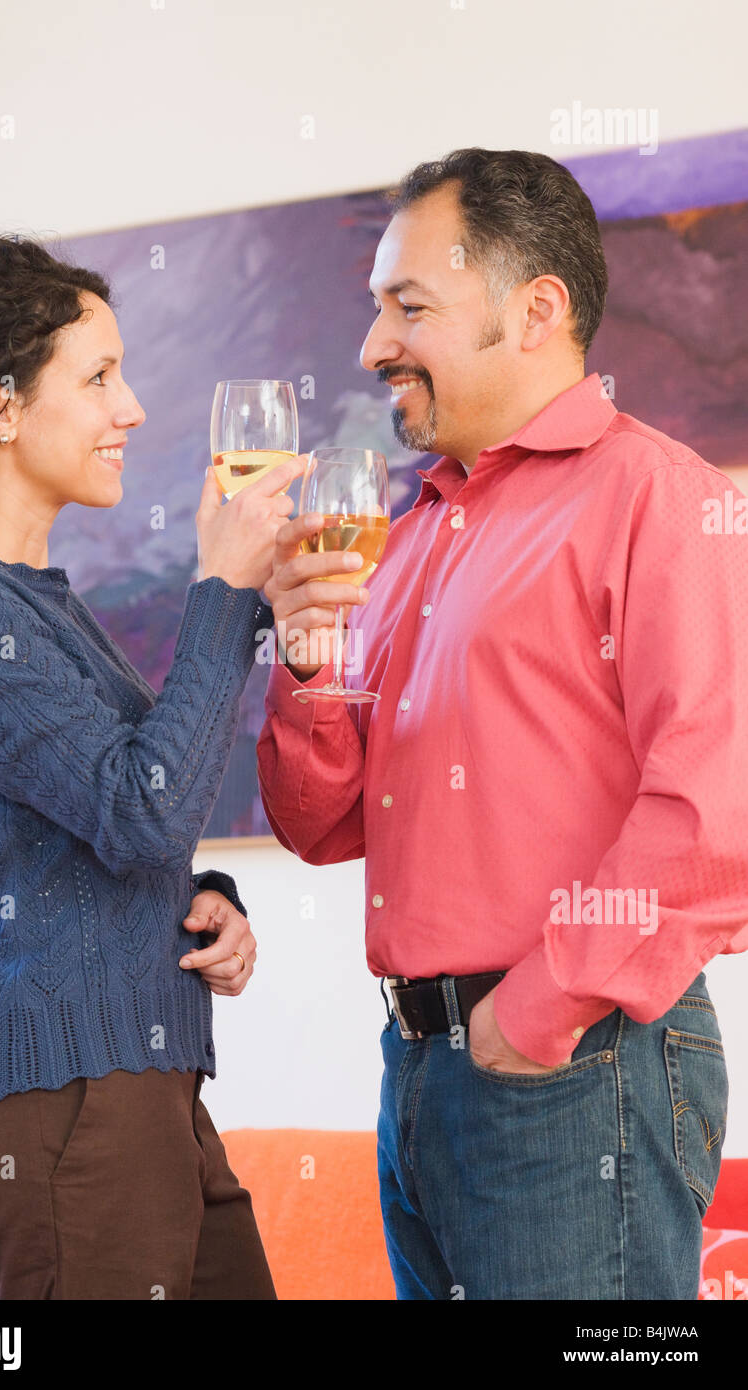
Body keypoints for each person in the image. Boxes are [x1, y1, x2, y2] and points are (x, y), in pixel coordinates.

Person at [258, 148, 747, 1300]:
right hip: (420, 1072)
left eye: (408, 306)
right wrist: (304, 657)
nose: (371, 346)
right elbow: (322, 824)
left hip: (575, 1065)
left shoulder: (662, 498)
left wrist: (528, 1017)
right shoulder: (412, 530)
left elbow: (715, 812)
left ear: (536, 310)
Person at [0, 233, 302, 1299]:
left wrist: (205, 900)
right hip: (60, 1102)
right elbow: (141, 808)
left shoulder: (32, 602)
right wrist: (219, 589)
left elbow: (115, 817)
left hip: (132, 1087)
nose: (132, 408)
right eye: (99, 375)